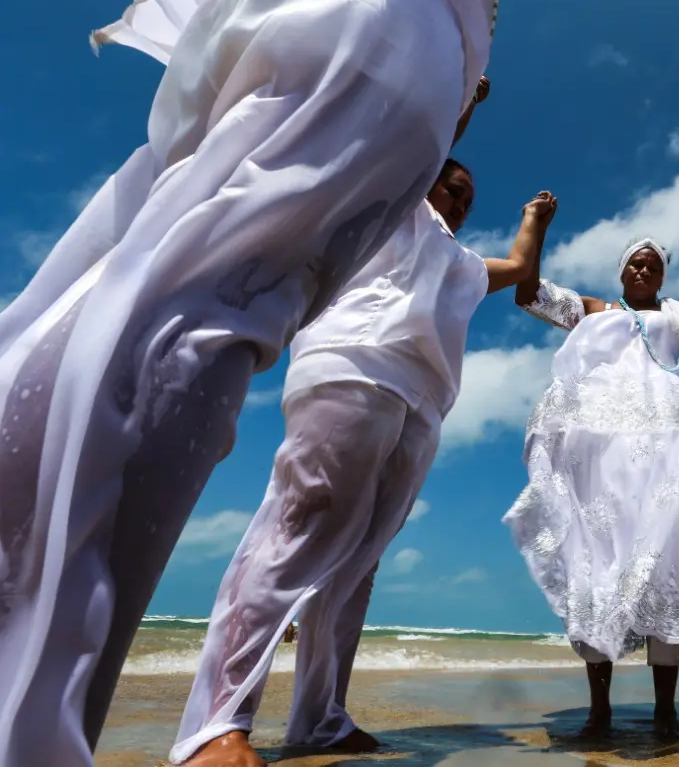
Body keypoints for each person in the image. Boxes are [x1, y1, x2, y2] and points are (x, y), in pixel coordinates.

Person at [0, 0, 507, 763]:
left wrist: (454, 78)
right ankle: (190, 723)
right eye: (449, 184)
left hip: (378, 24)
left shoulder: (452, 252)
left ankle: (303, 714)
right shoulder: (413, 215)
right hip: (374, 21)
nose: (454, 195)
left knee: (147, 276)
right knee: (192, 318)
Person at [170, 173, 556, 767]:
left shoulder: (460, 262)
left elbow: (522, 267)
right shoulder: (396, 204)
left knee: (357, 564)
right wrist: (449, 126)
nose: (459, 201)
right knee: (294, 538)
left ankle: (320, 719)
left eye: (469, 199)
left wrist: (533, 219)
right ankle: (214, 725)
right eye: (450, 188)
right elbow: (421, 142)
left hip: (423, 399)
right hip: (352, 366)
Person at [504, 234, 679, 740]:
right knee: (600, 570)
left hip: (670, 458)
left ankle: (665, 711)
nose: (642, 270)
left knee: (664, 567)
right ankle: (599, 711)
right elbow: (530, 294)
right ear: (621, 271)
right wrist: (538, 227)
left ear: (662, 276)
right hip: (603, 458)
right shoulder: (593, 310)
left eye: (652, 265)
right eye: (635, 264)